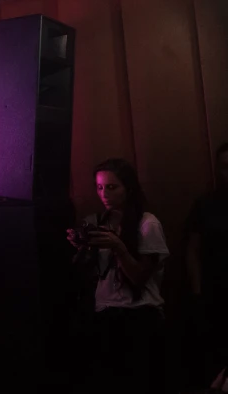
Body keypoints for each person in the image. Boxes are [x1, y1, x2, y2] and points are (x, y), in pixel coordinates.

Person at [66, 158, 169, 394]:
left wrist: (118, 247)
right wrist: (81, 246)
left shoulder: (147, 223)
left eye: (112, 187)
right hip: (104, 313)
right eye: (100, 187)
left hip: (139, 315)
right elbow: (91, 274)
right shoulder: (98, 222)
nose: (104, 194)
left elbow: (139, 278)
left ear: (128, 188)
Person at [186, 142, 228, 383]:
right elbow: (193, 250)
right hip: (216, 295)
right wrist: (197, 292)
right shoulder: (206, 205)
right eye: (225, 167)